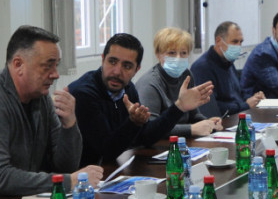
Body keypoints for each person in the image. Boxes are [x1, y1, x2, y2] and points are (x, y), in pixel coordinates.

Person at [0, 26, 98, 199]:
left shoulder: (41, 99)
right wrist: (67, 182)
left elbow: (65, 167)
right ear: (18, 65)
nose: (55, 74)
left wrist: (69, 125)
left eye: (56, 65)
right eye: (48, 66)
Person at [69, 33, 212, 165]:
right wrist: (133, 123)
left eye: (127, 66)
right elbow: (107, 150)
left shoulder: (128, 88)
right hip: (84, 174)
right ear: (103, 59)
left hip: (114, 167)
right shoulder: (84, 94)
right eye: (112, 62)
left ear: (136, 69)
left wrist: (179, 107)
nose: (117, 71)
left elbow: (145, 137)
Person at [134, 27, 221, 138]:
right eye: (172, 53)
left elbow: (193, 114)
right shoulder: (149, 84)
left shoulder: (186, 75)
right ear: (158, 54)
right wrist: (191, 129)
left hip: (182, 141)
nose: (178, 58)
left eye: (183, 53)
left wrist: (207, 123)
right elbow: (150, 129)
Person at [190, 21, 265, 117]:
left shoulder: (228, 61)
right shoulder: (202, 68)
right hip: (221, 122)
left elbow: (238, 95)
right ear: (218, 41)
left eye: (241, 42)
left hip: (237, 117)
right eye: (235, 42)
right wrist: (245, 105)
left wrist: (254, 98)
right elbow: (211, 107)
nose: (238, 46)